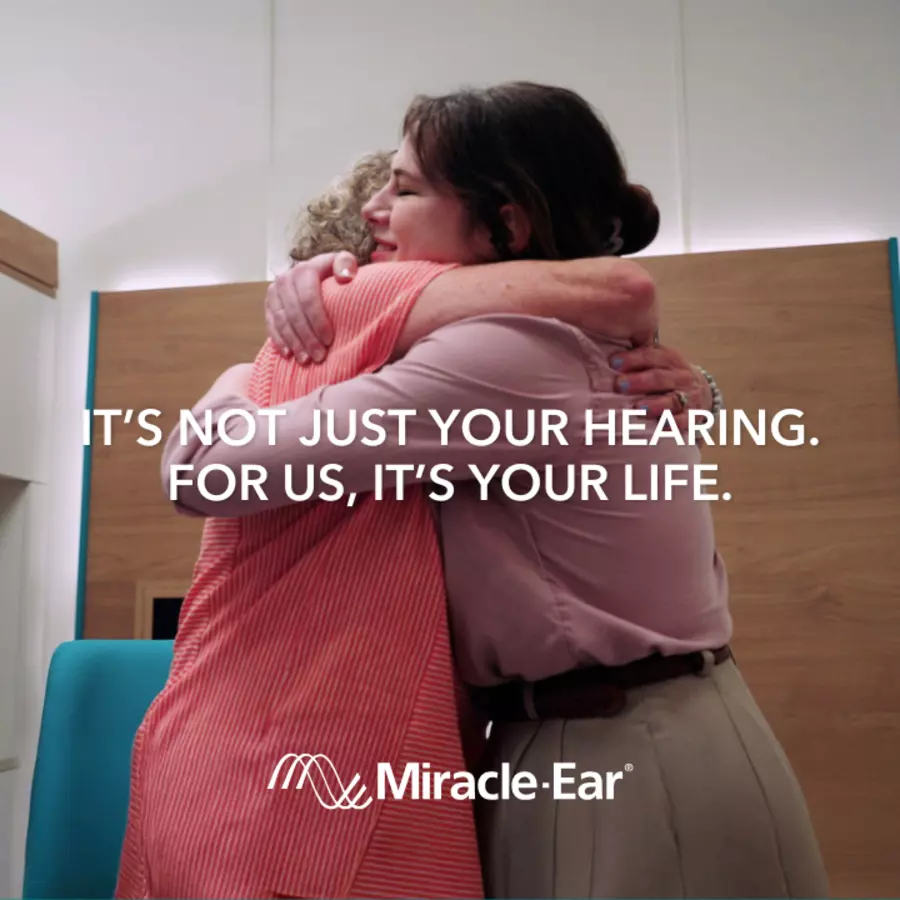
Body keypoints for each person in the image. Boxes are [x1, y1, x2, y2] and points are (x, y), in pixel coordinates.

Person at [158, 82, 828, 898]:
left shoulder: (503, 358)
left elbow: (208, 471)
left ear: (503, 225)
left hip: (620, 749)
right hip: (602, 733)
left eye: (406, 190)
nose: (375, 210)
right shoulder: (545, 338)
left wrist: (240, 374)